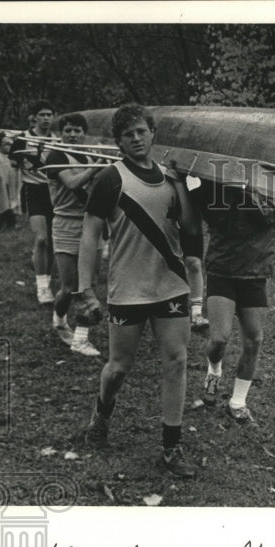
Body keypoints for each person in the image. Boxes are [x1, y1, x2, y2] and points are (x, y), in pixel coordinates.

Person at [76, 103, 201, 478]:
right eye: (128, 134)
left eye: (141, 131)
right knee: (119, 368)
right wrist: (86, 289)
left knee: (176, 362)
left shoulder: (170, 179)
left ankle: (171, 447)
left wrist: (182, 185)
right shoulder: (110, 179)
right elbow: (89, 234)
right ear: (118, 141)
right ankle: (102, 413)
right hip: (127, 289)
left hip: (171, 285)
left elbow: (191, 228)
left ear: (152, 134)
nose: (136, 138)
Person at [189, 177, 275, 423]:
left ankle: (238, 402)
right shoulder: (215, 182)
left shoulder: (271, 183)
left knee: (254, 339)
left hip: (255, 271)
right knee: (219, 339)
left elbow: (269, 216)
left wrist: (244, 189)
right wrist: (223, 185)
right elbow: (210, 214)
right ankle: (213, 372)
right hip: (222, 269)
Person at [44, 112, 101, 357]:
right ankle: (58, 319)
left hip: (90, 224)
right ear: (61, 133)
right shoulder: (56, 155)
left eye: (77, 130)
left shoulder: (92, 154)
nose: (72, 135)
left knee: (88, 285)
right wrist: (96, 167)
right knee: (69, 287)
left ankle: (80, 339)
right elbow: (72, 183)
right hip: (65, 224)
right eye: (68, 130)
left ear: (84, 133)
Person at [12, 100, 57, 304]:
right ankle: (41, 287)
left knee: (54, 242)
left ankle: (46, 282)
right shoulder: (23, 139)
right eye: (42, 115)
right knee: (41, 239)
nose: (46, 118)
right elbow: (13, 165)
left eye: (49, 114)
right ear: (34, 117)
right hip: (34, 191)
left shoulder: (58, 140)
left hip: (55, 193)